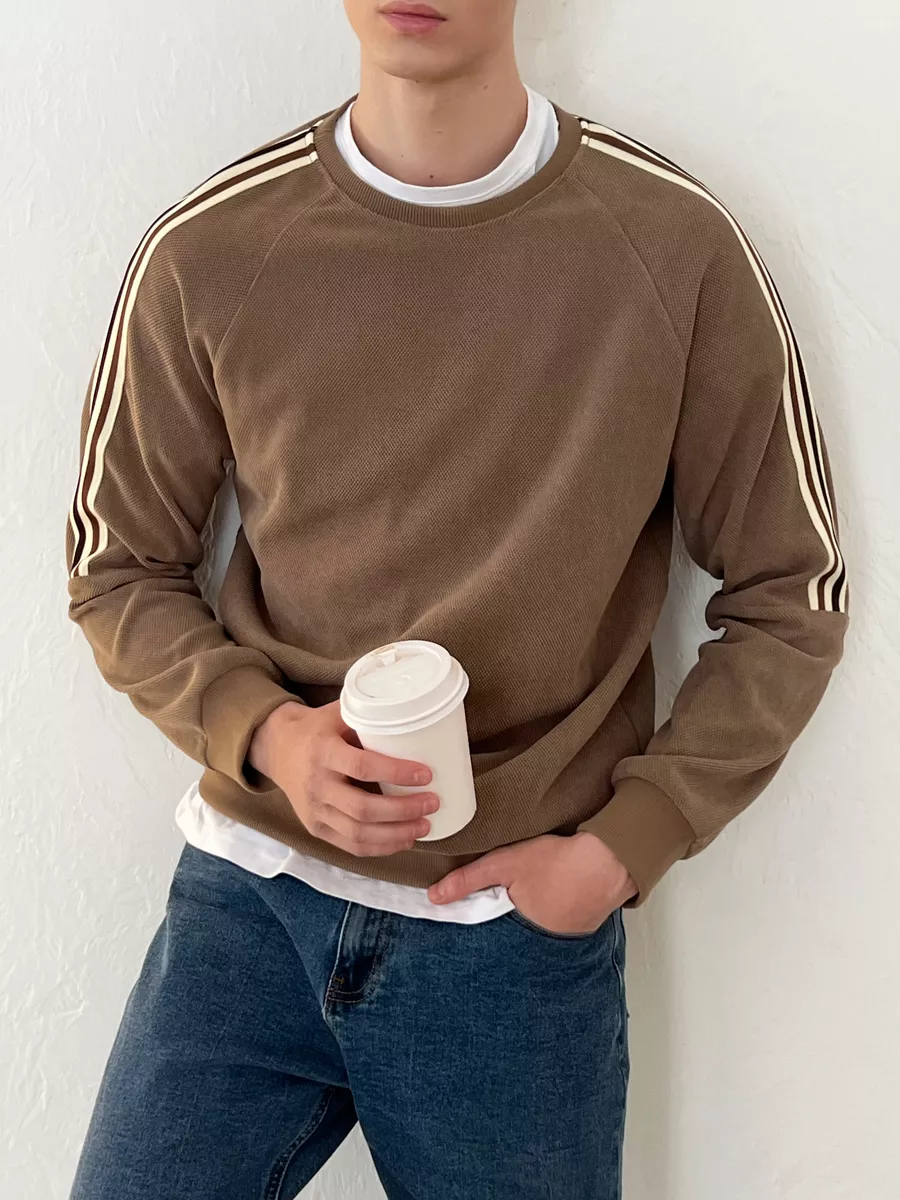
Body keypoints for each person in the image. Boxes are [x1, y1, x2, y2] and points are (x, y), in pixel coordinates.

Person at [64, 1, 849, 1197]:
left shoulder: (673, 245)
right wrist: (268, 735)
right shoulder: (210, 247)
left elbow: (795, 589)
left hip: (514, 949)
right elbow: (114, 562)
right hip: (247, 908)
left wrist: (623, 849)